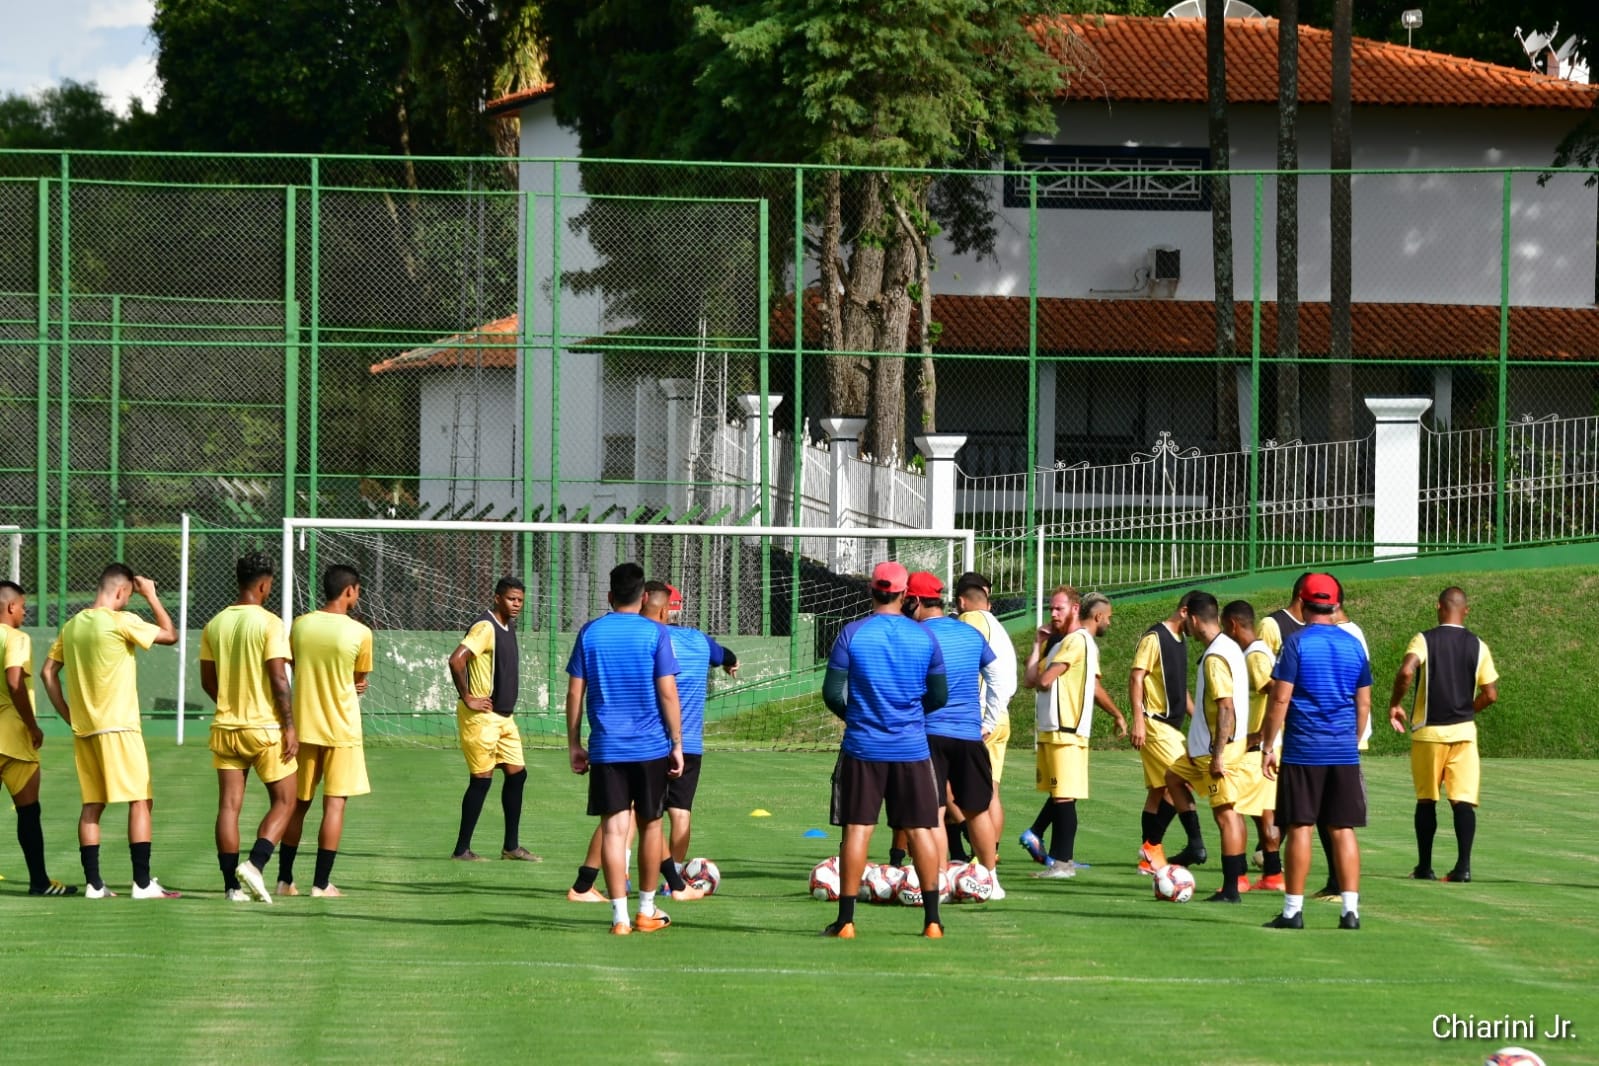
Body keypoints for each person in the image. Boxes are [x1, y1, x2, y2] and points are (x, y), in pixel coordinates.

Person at [820, 561, 948, 939]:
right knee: (921, 830)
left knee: (857, 830)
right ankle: (933, 921)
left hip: (863, 748)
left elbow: (832, 693)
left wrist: (857, 716)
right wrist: (910, 716)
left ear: (871, 590)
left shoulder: (852, 634)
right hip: (911, 749)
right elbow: (939, 695)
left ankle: (846, 921)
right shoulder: (925, 637)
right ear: (905, 594)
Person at [40, 563, 180, 899]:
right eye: (128, 595)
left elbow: (47, 673)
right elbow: (169, 634)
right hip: (120, 727)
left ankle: (94, 884)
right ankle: (142, 884)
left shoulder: (72, 626)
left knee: (92, 804)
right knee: (140, 800)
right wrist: (152, 596)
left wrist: (69, 715)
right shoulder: (122, 621)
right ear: (120, 591)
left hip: (86, 730)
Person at [566, 562, 684, 935]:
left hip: (606, 748)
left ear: (609, 595)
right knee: (651, 826)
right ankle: (646, 910)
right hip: (650, 748)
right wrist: (677, 743)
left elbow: (575, 692)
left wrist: (573, 743)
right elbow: (668, 692)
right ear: (644, 597)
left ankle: (619, 918)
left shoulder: (590, 632)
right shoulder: (656, 633)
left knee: (614, 831)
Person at [1261, 572, 1372, 931]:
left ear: (1303, 603)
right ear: (1335, 604)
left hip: (1303, 750)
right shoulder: (1354, 644)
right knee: (1343, 828)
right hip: (1343, 751)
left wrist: (1267, 744)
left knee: (1301, 826)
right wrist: (1352, 740)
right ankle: (1350, 911)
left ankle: (1292, 911)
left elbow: (1280, 698)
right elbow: (1364, 703)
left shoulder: (1295, 643)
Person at [200, 552, 299, 903]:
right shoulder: (270, 623)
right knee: (286, 801)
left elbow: (207, 681)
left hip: (225, 728)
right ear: (264, 584)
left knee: (228, 807)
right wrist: (289, 725)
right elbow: (278, 677)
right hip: (265, 729)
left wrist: (231, 703)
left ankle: (231, 887)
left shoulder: (215, 624)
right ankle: (256, 864)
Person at [1387, 586, 1499, 883]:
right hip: (1464, 734)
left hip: (1429, 733)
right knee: (1463, 801)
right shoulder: (1478, 645)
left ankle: (1424, 867)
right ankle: (1463, 868)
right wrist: (1467, 710)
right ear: (1466, 610)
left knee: (1427, 800)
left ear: (1438, 607)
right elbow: (1490, 694)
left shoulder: (1424, 639)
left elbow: (1407, 671)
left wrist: (1395, 703)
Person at [904, 572, 1004, 898]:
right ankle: (991, 880)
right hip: (969, 735)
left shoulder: (915, 635)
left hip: (928, 735)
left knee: (933, 812)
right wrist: (989, 720)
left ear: (914, 601)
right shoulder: (970, 633)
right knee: (977, 809)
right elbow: (998, 678)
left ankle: (939, 881)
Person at [276, 564, 374, 898]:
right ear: (350, 591)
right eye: (357, 590)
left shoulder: (300, 625)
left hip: (304, 727)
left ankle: (284, 880)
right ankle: (321, 884)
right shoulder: (360, 632)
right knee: (334, 805)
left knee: (297, 805)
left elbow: (293, 663)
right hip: (341, 729)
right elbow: (359, 679)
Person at [1023, 586, 1126, 878]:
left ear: (1075, 609)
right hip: (1052, 729)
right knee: (1061, 797)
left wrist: (1043, 675)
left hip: (1066, 729)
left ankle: (1063, 863)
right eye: (1051, 609)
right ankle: (1058, 858)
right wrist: (1037, 645)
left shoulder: (1077, 641)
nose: (1054, 614)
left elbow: (1044, 681)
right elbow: (1029, 680)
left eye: (1060, 608)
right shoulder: (1060, 643)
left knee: (1064, 798)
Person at [648, 582, 737, 900]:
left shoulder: (648, 638)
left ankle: (627, 877)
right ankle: (672, 879)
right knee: (681, 810)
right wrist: (730, 662)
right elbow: (726, 654)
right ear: (678, 609)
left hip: (652, 742)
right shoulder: (699, 640)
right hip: (690, 745)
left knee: (637, 814)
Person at [1163, 592, 1250, 903]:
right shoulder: (1227, 646)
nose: (1184, 625)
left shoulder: (1215, 657)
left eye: (1186, 620)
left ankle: (1231, 889)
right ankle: (1195, 844)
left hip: (1218, 751)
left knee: (1227, 815)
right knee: (1173, 778)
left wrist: (1219, 754)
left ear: (1194, 619)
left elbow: (1226, 707)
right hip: (1202, 749)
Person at [448, 576, 539, 863]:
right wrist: (467, 697)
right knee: (481, 780)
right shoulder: (485, 627)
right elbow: (456, 660)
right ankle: (461, 850)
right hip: (482, 717)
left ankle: (511, 847)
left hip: (504, 718)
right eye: (511, 599)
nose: (516, 604)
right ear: (497, 598)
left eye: (520, 600)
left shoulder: (507, 627)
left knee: (517, 774)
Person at [0, 580, 76, 896]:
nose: (25, 612)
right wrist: (32, 726)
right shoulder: (16, 638)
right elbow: (14, 682)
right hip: (12, 739)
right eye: (23, 606)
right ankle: (39, 883)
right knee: (29, 812)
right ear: (10, 607)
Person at [1127, 591, 1201, 874]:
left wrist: (1199, 719)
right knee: (1183, 778)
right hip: (1155, 723)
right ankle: (1156, 847)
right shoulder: (1154, 638)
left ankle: (1148, 858)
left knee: (1159, 791)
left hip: (1170, 725)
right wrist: (1138, 720)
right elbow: (1136, 677)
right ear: (1184, 612)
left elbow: (1179, 687)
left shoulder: (1180, 640)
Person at [1221, 600, 1284, 893]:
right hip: (1266, 748)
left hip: (1256, 750)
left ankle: (1239, 877)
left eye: (1225, 627)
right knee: (1263, 813)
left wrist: (1259, 734)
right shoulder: (1257, 652)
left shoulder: (1255, 655)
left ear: (1233, 625)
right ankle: (1273, 875)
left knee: (1232, 808)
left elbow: (1275, 691)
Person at [953, 572, 1017, 849]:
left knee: (948, 787)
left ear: (961, 602)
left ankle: (977, 843)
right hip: (1001, 714)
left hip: (979, 715)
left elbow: (963, 663)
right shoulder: (999, 627)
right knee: (991, 792)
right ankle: (990, 857)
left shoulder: (970, 620)